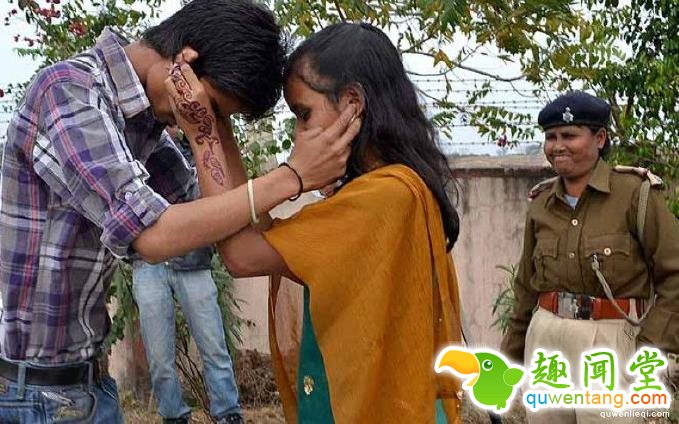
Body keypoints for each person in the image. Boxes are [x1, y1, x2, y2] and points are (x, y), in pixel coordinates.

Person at [0, 1, 358, 422]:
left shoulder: (143, 125)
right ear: (185, 61)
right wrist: (291, 176)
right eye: (218, 110)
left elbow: (219, 216)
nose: (209, 119)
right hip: (35, 395)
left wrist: (212, 130)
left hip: (88, 385)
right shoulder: (69, 90)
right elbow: (152, 236)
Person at [166, 22, 464, 423]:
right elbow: (257, 232)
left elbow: (242, 253)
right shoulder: (390, 187)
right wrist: (219, 123)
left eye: (304, 115)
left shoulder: (385, 196)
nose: (298, 133)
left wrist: (203, 136)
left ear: (352, 103)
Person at [500, 91, 679, 423]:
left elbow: (674, 274)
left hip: (610, 342)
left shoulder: (635, 194)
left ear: (600, 138)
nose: (558, 146)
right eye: (551, 137)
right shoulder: (541, 203)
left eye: (569, 135)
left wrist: (650, 346)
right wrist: (508, 358)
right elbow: (526, 286)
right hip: (547, 340)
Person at [132, 128, 241, 424]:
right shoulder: (133, 141)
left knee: (214, 347)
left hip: (193, 260)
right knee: (159, 358)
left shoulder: (198, 146)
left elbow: (212, 199)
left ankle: (228, 414)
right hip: (149, 262)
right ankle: (173, 416)